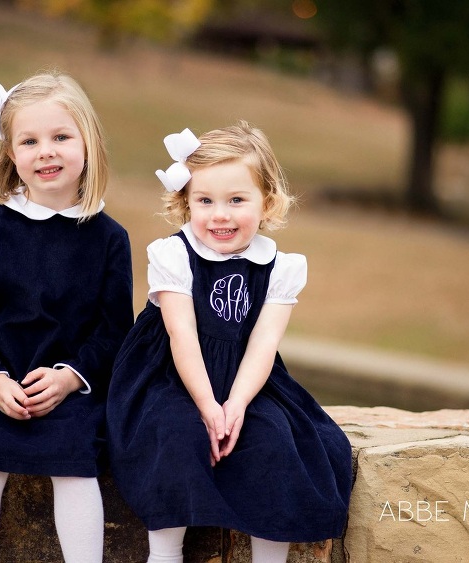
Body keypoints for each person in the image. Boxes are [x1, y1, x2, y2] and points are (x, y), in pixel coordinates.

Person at [107, 121, 352, 563]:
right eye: (204, 201)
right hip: (170, 373)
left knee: (278, 439)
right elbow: (181, 335)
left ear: (268, 202)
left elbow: (263, 342)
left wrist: (234, 406)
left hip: (246, 376)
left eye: (237, 200)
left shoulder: (279, 267)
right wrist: (206, 404)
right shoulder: (174, 255)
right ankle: (164, 554)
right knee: (175, 434)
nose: (219, 215)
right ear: (185, 202)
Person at [0, 71, 134, 562]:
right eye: (29, 141)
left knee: (75, 464)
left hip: (69, 382)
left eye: (61, 137)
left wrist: (71, 378)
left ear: (88, 144)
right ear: (11, 154)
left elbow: (114, 331)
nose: (45, 151)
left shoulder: (109, 237)